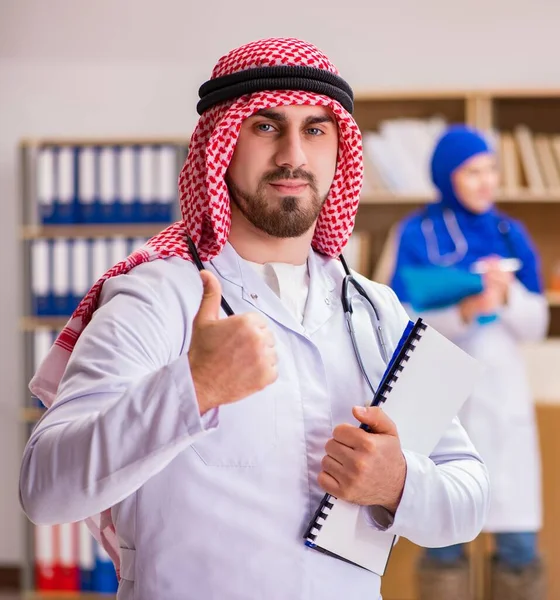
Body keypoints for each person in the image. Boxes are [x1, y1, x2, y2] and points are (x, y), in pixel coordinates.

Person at [19, 39, 489, 600]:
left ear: (339, 150)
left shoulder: (374, 308)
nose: (293, 154)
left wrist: (401, 484)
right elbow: (45, 490)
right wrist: (191, 388)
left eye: (315, 130)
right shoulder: (158, 296)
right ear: (223, 143)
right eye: (266, 127)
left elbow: (468, 494)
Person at [389, 125, 549, 600]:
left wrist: (508, 296)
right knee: (444, 542)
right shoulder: (415, 232)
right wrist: (464, 310)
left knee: (519, 546)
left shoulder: (509, 233)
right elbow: (400, 319)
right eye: (472, 172)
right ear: (446, 177)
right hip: (443, 399)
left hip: (505, 405)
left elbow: (536, 324)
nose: (486, 182)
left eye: (491, 169)